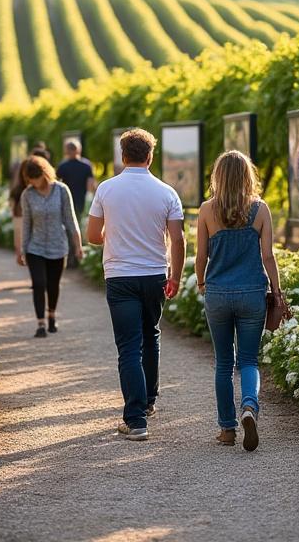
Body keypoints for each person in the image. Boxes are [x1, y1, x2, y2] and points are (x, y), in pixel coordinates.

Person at [86, 128, 185, 442]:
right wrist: (176, 276)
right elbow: (178, 239)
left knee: (128, 346)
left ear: (123, 155)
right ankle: (150, 400)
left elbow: (92, 236)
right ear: (150, 156)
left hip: (119, 275)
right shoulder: (167, 192)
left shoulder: (106, 189)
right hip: (155, 274)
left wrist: (112, 235)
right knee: (150, 335)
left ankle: (136, 419)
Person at [195, 150, 287, 451]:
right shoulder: (260, 210)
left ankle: (227, 429)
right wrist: (277, 291)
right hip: (251, 294)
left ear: (217, 177)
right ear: (248, 176)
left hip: (218, 294)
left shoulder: (207, 210)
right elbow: (268, 256)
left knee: (223, 363)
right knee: (248, 360)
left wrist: (201, 282)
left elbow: (201, 256)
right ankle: (249, 406)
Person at [14, 156, 83, 337]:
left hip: (58, 247)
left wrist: (78, 245)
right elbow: (26, 224)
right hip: (35, 248)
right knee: (39, 283)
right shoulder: (27, 195)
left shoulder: (61, 191)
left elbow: (70, 219)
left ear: (43, 174)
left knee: (53, 285)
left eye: (34, 178)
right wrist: (22, 249)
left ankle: (51, 314)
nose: (32, 183)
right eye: (29, 180)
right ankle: (40, 324)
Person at [55, 139, 97, 264]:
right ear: (79, 149)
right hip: (80, 201)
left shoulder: (62, 166)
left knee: (68, 228)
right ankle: (78, 254)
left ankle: (69, 257)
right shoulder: (86, 165)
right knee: (77, 227)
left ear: (66, 151)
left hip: (65, 201)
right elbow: (90, 184)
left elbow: (57, 184)